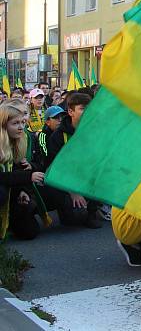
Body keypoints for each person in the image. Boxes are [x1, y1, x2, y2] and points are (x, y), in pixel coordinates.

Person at [45, 92, 103, 229]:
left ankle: (92, 212)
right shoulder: (58, 136)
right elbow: (53, 168)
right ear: (70, 111)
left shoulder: (95, 132)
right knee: (72, 220)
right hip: (64, 181)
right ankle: (67, 207)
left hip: (86, 176)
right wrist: (73, 191)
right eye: (83, 108)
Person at [0, 104, 47, 240]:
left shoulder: (17, 141)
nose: (21, 127)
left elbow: (14, 170)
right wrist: (28, 176)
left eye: (23, 122)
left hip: (11, 189)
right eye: (15, 123)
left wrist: (22, 190)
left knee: (30, 231)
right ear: (3, 124)